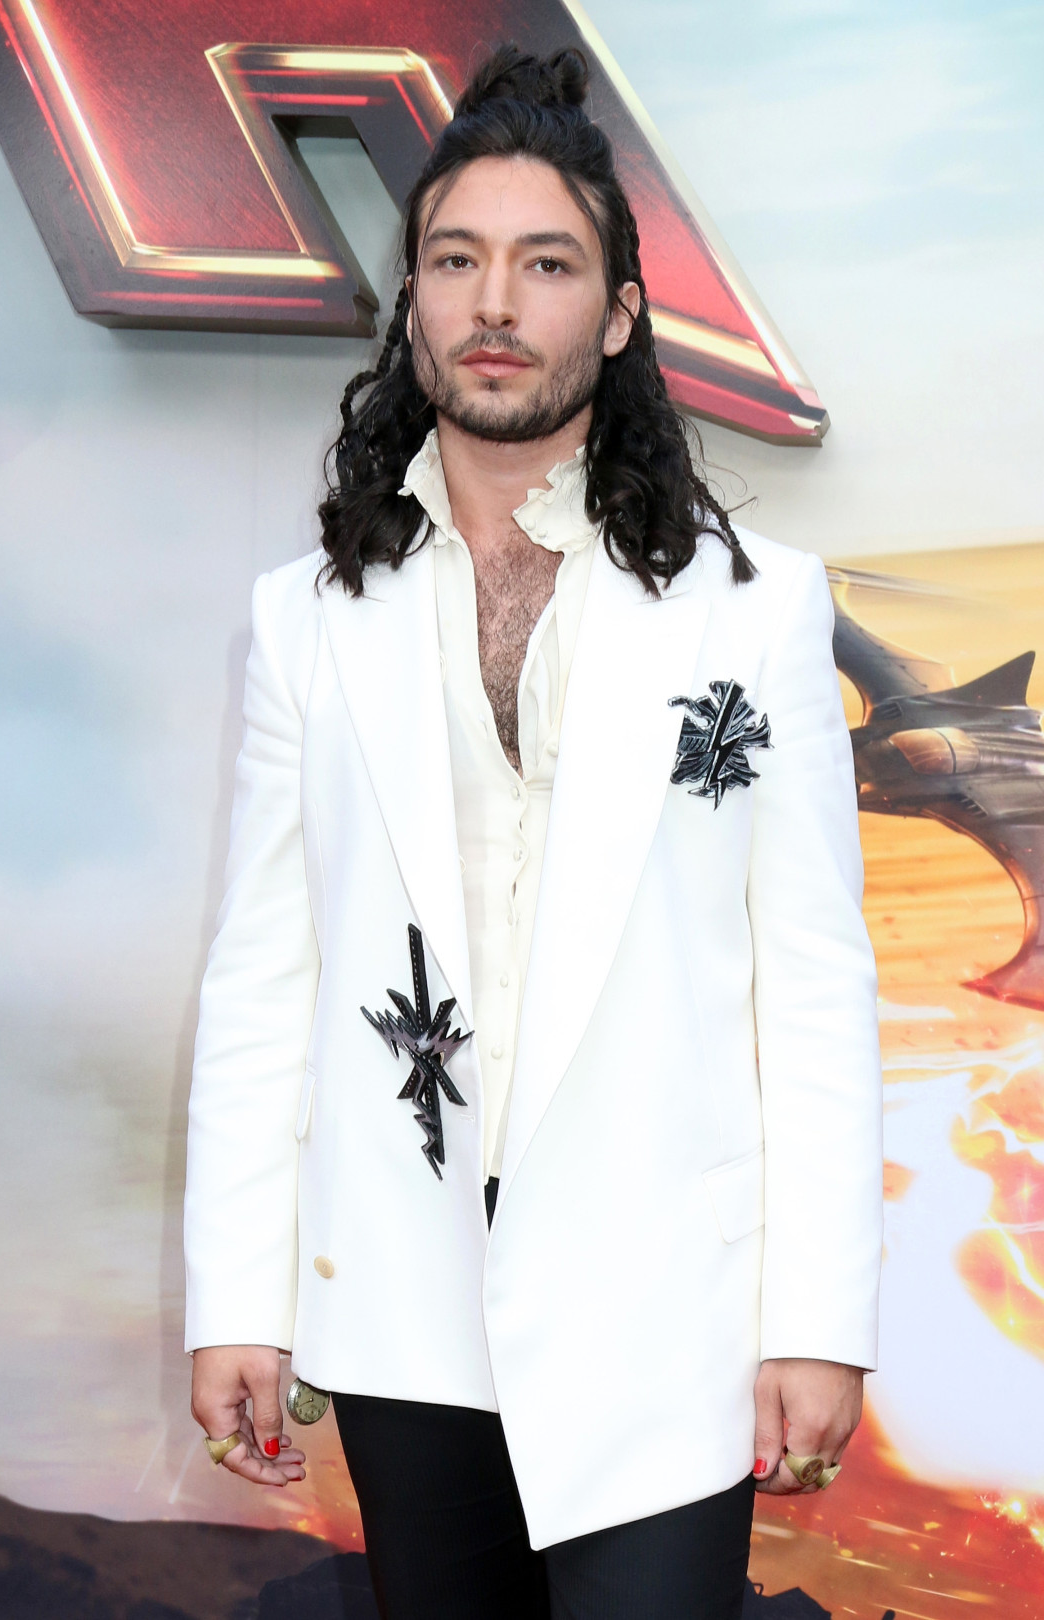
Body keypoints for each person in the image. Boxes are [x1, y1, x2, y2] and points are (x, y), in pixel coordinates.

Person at [184, 42, 883, 1620]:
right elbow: (263, 983)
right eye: (456, 260)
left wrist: (819, 1319)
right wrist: (237, 1295)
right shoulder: (306, 622)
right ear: (413, 301)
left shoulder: (759, 613)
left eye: (546, 264)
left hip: (671, 1303)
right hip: (405, 1300)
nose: (495, 302)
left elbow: (814, 985)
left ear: (620, 314)